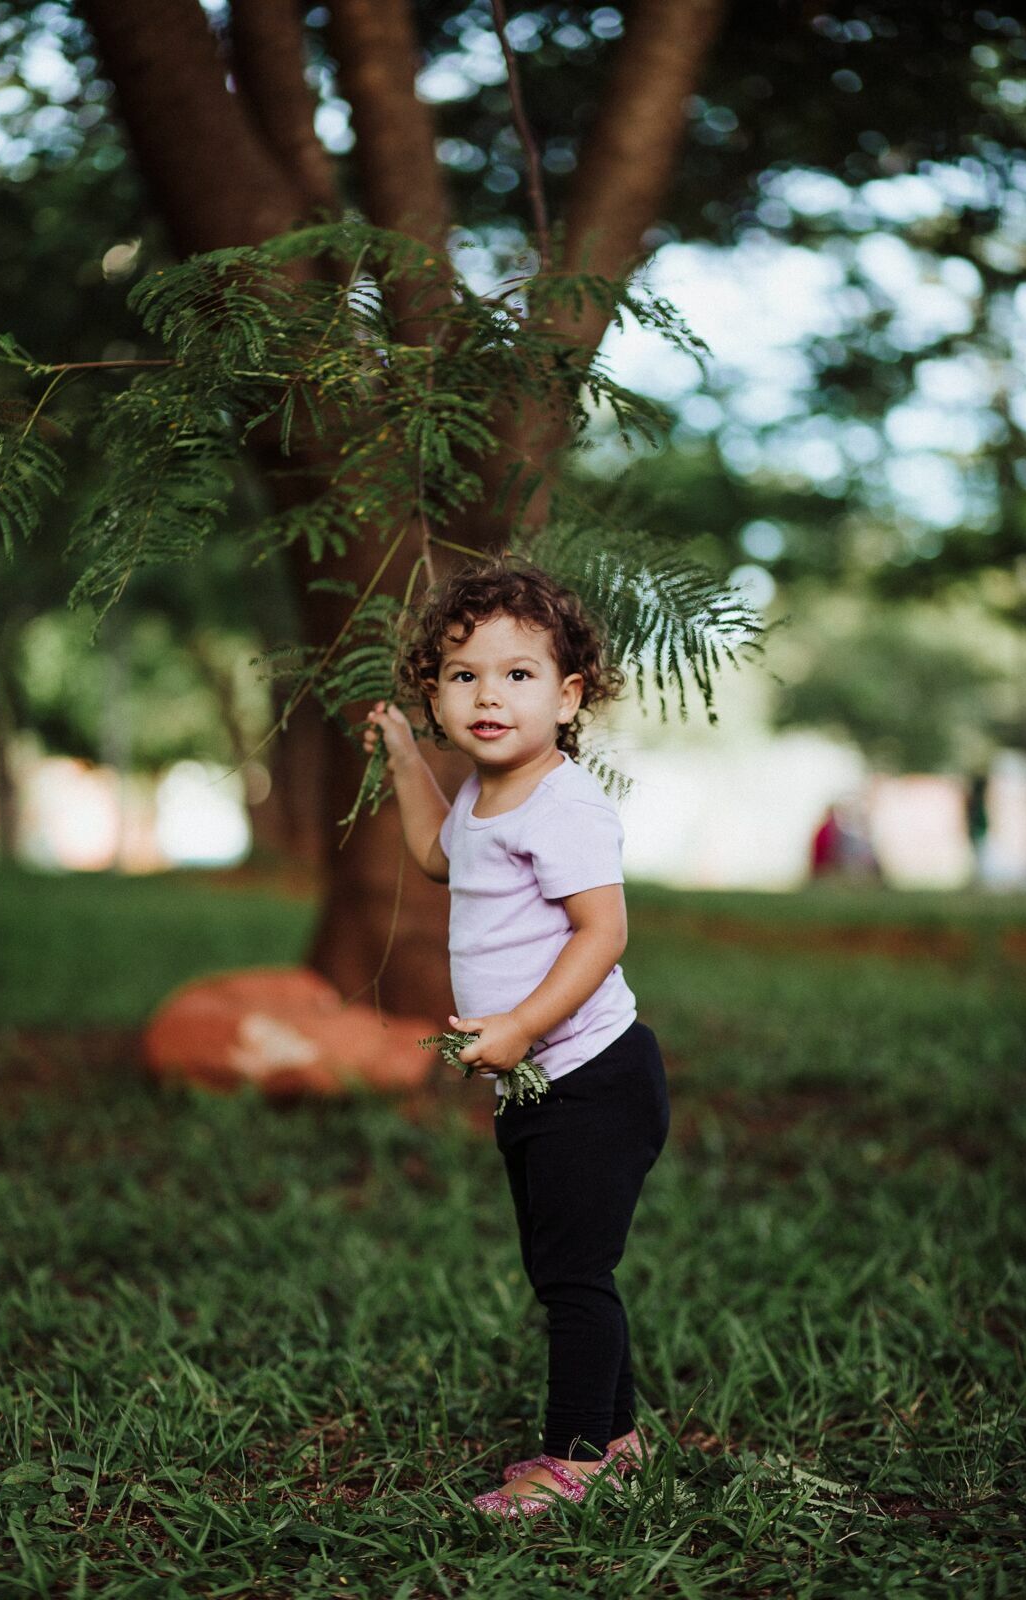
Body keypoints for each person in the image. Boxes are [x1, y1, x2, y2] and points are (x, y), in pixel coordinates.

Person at [363, 557, 670, 1521]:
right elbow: (433, 857)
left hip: (593, 1075)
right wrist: (408, 761)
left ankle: (575, 1459)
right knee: (557, 1266)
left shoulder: (563, 801)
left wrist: (524, 1024)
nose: (488, 694)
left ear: (569, 694)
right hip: (538, 1085)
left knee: (575, 1274)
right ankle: (615, 1441)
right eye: (463, 676)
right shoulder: (482, 796)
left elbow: (602, 932)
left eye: (518, 674)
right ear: (435, 692)